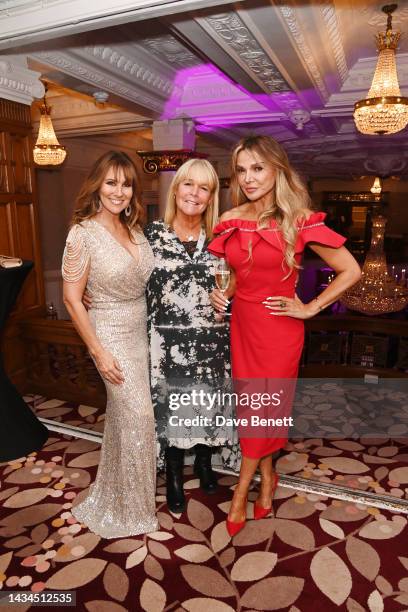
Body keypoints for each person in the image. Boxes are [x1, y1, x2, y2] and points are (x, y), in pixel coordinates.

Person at [208, 136, 361, 536]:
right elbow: (239, 276)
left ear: (277, 169)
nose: (248, 178)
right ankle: (268, 479)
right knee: (253, 409)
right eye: (241, 170)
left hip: (279, 329)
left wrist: (310, 307)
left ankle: (241, 492)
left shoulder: (299, 218)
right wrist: (221, 293)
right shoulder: (231, 218)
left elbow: (351, 270)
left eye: (257, 168)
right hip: (243, 325)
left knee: (262, 410)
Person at [62, 150, 158, 538]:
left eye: (126, 183)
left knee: (124, 422)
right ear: (97, 185)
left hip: (140, 331)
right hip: (110, 337)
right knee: (140, 419)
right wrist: (99, 352)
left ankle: (118, 497)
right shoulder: (82, 233)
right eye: (111, 182)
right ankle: (133, 512)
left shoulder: (135, 229)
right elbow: (72, 298)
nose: (119, 191)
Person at [145, 158, 239, 514]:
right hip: (165, 344)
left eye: (204, 188)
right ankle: (172, 476)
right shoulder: (151, 235)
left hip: (211, 339)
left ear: (211, 196)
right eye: (188, 184)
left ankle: (202, 464)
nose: (194, 193)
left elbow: (236, 280)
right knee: (172, 411)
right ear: (176, 188)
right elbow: (129, 279)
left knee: (206, 406)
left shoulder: (219, 238)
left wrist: (226, 297)